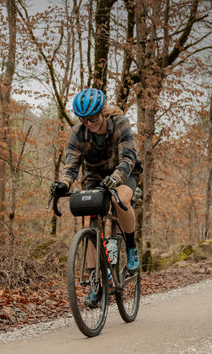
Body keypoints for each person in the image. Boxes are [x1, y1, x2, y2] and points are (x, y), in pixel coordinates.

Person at [49, 88, 142, 307]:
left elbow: (128, 159)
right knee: (87, 217)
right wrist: (63, 183)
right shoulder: (79, 133)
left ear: (102, 112)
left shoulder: (120, 124)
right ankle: (95, 282)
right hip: (96, 177)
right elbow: (71, 164)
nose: (89, 123)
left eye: (92, 118)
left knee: (121, 199)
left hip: (126, 173)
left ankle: (130, 247)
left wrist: (117, 178)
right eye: (84, 119)